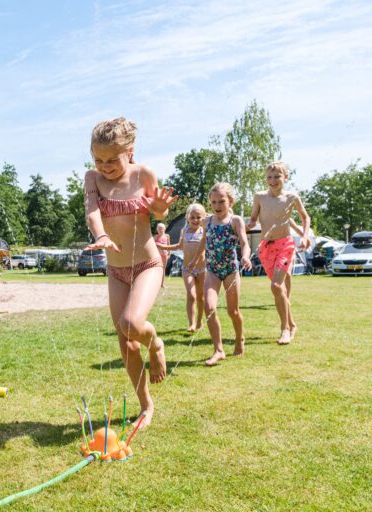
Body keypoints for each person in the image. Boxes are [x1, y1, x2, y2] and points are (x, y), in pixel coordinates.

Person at [83, 117, 177, 429]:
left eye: (112, 159)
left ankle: (157, 344)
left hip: (147, 265)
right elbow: (92, 210)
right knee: (125, 341)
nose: (104, 166)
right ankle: (146, 405)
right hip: (116, 270)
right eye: (98, 159)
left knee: (132, 323)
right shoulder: (93, 179)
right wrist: (101, 236)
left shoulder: (143, 174)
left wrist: (161, 209)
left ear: (130, 152)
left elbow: (157, 210)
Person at [246, 161, 310, 345]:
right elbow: (253, 218)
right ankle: (292, 323)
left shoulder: (291, 197)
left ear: (285, 177)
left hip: (285, 245)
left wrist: (304, 236)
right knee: (279, 290)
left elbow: (305, 217)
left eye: (277, 176)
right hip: (266, 246)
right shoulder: (259, 197)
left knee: (276, 286)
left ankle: (285, 329)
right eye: (269, 177)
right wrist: (249, 224)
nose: (273, 180)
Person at [192, 183, 251, 366]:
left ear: (230, 201)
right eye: (214, 202)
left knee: (233, 311)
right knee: (209, 308)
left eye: (222, 202)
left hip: (231, 270)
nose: (217, 206)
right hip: (212, 270)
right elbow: (204, 241)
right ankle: (218, 350)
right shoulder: (207, 221)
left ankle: (239, 338)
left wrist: (246, 257)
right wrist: (196, 259)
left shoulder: (235, 220)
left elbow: (244, 242)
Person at [158, 203, 207, 333]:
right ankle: (191, 323)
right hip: (187, 269)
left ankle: (199, 321)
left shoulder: (204, 232)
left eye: (198, 217)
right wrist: (163, 247)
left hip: (202, 269)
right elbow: (179, 246)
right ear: (187, 217)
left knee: (201, 297)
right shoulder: (184, 231)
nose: (195, 220)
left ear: (203, 218)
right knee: (191, 295)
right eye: (193, 217)